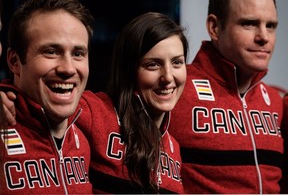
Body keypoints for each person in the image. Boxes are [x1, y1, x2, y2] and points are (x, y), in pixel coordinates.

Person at [1, 11, 189, 193]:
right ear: (129, 71)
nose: (168, 77)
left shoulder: (173, 148)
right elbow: (41, 101)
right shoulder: (96, 112)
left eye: (177, 62)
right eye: (153, 64)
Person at [169, 0, 284, 194]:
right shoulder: (175, 89)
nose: (264, 37)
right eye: (249, 23)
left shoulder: (276, 102)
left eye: (271, 26)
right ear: (214, 27)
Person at [0, 0, 94, 194]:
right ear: (14, 61)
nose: (68, 69)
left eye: (78, 54)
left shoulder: (85, 138)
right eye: (51, 51)